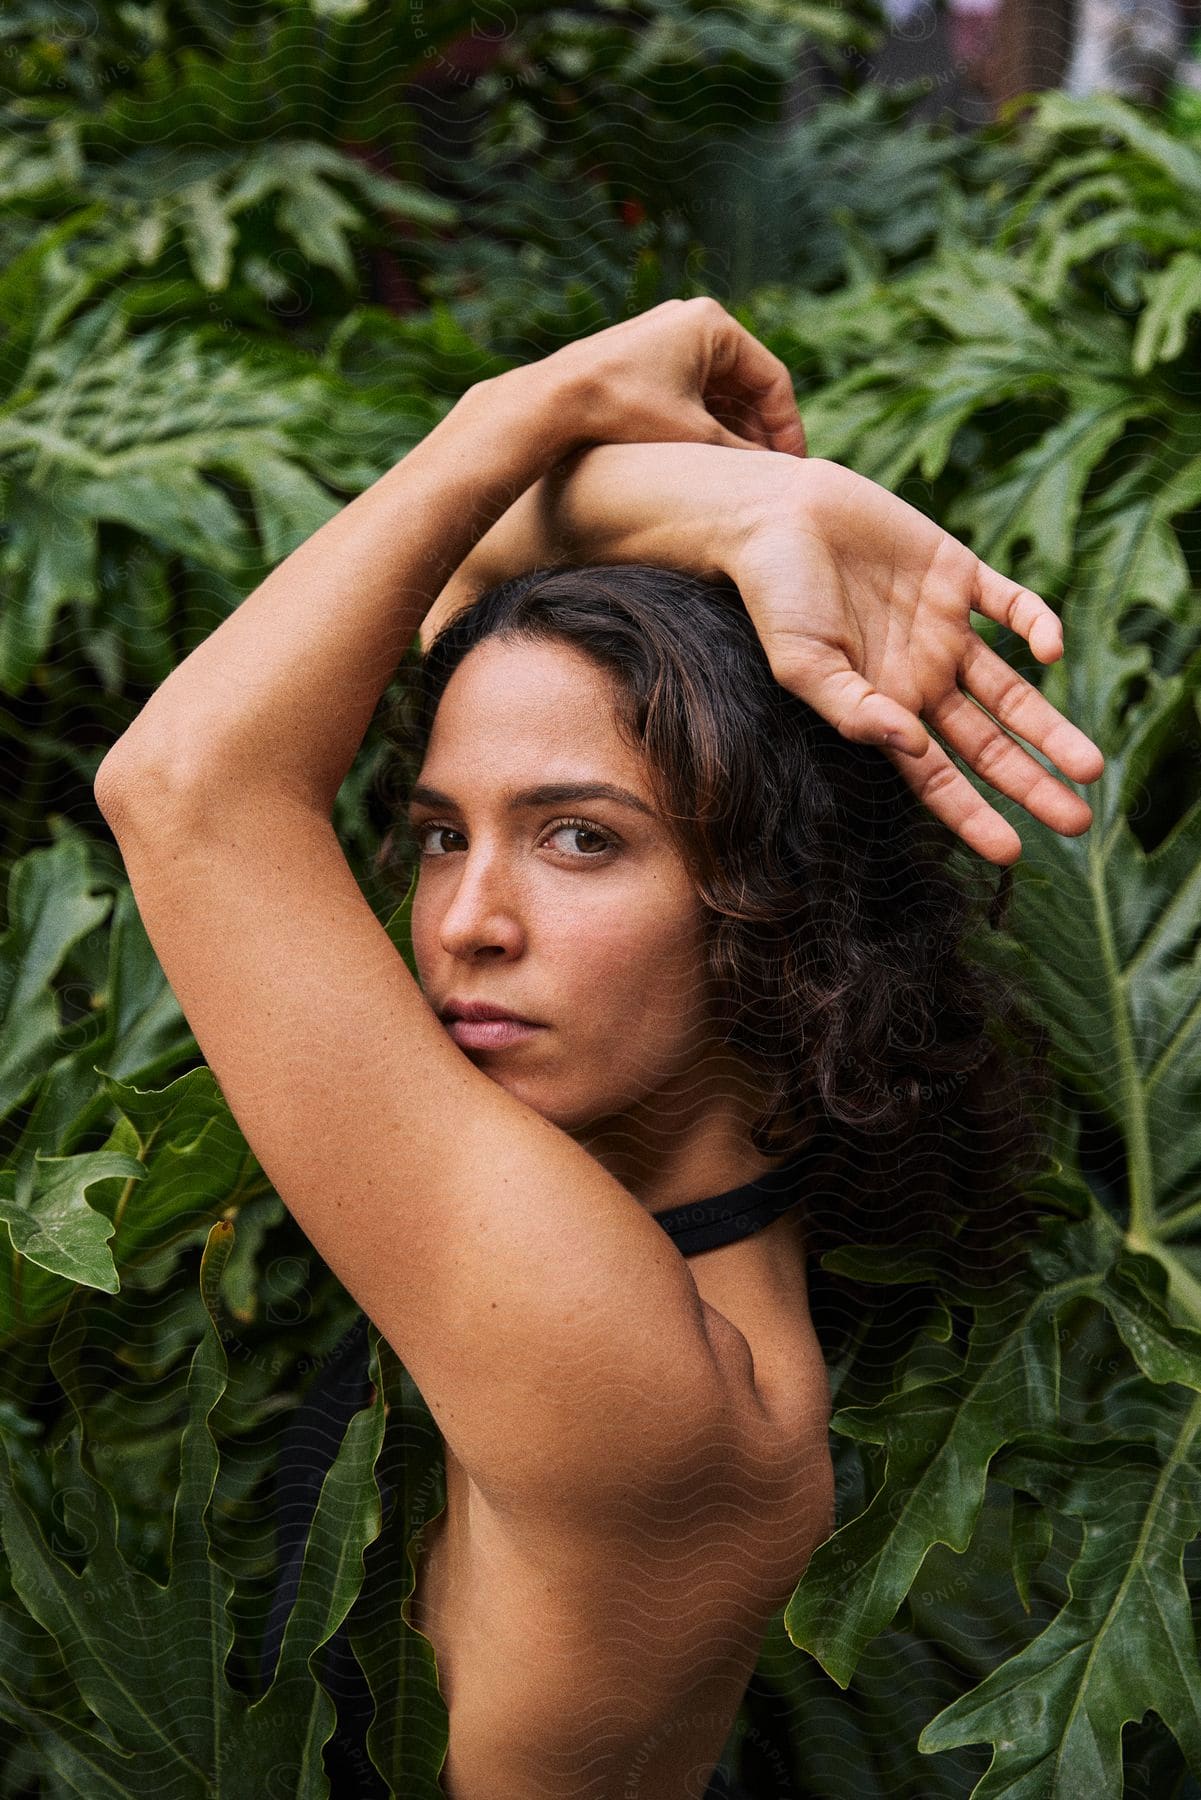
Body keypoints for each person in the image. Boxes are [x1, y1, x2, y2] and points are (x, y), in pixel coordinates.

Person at [94, 299, 1104, 1797]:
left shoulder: (626, 1359)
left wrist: (538, 399)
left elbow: (188, 785)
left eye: (580, 840)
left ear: (777, 897)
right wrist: (750, 504)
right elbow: (442, 601)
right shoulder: (680, 1246)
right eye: (442, 835)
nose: (466, 923)